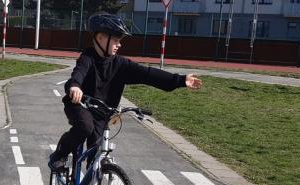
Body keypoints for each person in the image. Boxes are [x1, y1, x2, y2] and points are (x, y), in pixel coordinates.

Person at [48, 13, 202, 172]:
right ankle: (59, 154)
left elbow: (147, 74)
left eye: (119, 41)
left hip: (101, 113)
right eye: (115, 40)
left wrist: (180, 80)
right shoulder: (88, 57)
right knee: (85, 127)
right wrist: (75, 86)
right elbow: (79, 73)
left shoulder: (121, 64)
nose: (119, 44)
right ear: (100, 37)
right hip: (80, 105)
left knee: (96, 155)